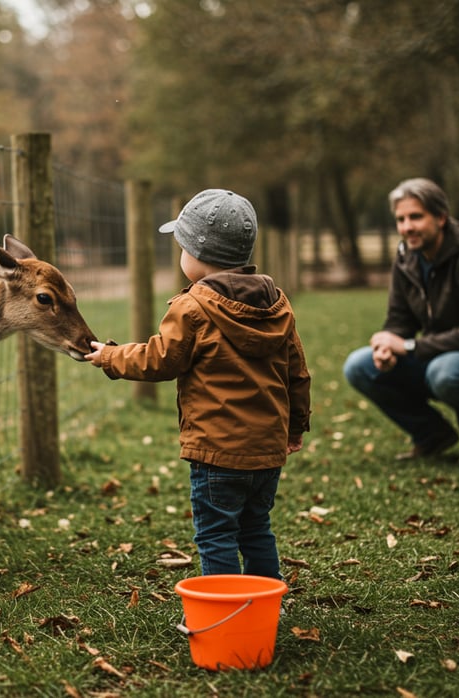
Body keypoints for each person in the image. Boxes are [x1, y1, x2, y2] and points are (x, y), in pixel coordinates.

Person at [85, 189, 311, 580]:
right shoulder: (277, 303)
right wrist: (295, 428)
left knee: (216, 534)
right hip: (267, 453)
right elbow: (297, 373)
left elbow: (158, 359)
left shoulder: (192, 308)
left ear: (198, 253)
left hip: (217, 452)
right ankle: (266, 605)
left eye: (181, 247)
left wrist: (110, 356)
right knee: (256, 529)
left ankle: (225, 612)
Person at [343, 177, 459, 465]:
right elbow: (399, 319)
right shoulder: (407, 259)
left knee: (445, 372)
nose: (407, 227)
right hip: (437, 357)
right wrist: (387, 346)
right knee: (359, 366)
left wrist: (408, 346)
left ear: (441, 218)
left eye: (416, 217)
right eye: (401, 219)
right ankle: (432, 435)